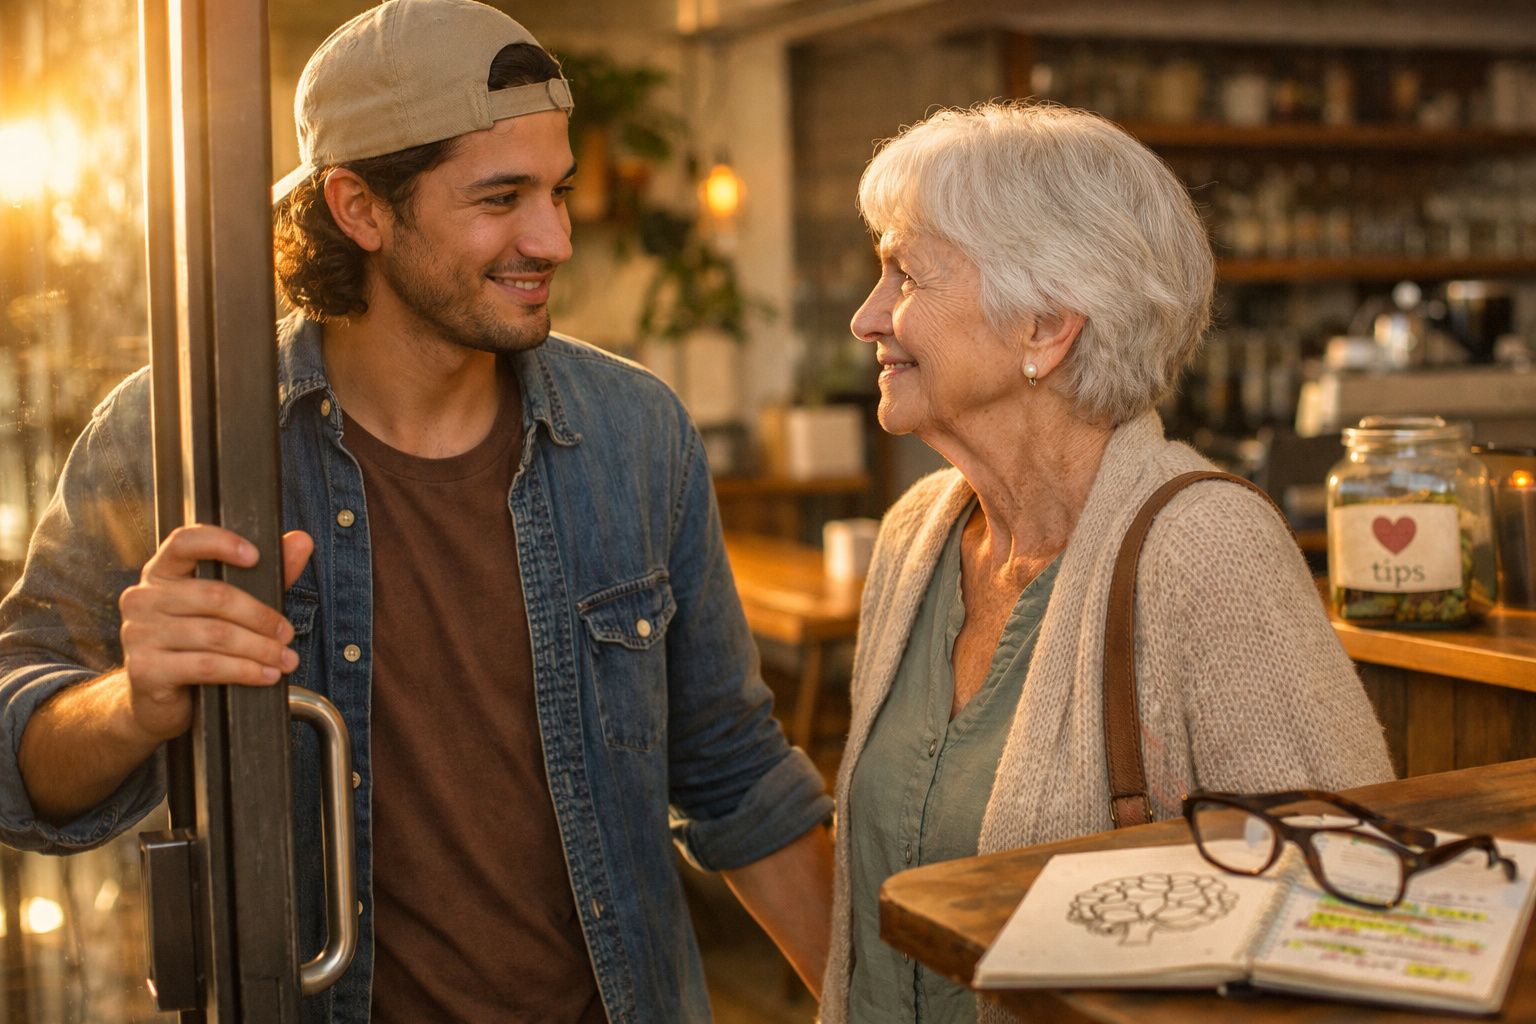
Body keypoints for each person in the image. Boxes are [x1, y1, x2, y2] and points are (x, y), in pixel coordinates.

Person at [0, 1, 833, 1020]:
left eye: (557, 190)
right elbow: (16, 757)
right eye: (501, 198)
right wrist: (135, 702)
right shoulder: (178, 432)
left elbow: (738, 774)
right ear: (360, 207)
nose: (553, 236)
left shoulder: (636, 431)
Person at [818, 102, 1393, 1024]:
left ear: (1046, 324)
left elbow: (1347, 905)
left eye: (907, 275)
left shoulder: (1206, 549)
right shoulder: (918, 533)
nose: (867, 317)